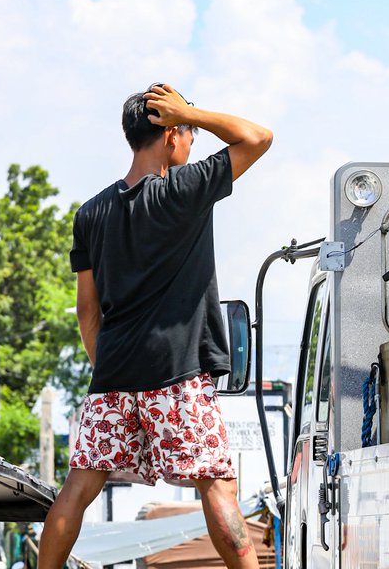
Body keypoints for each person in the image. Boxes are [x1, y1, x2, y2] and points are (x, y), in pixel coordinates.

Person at [39, 83, 272, 569]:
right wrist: (189, 111)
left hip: (113, 375)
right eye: (188, 133)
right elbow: (257, 137)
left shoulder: (91, 214)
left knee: (80, 485)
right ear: (170, 135)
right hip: (179, 372)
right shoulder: (185, 190)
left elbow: (87, 311)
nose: (193, 145)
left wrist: (110, 371)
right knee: (216, 484)